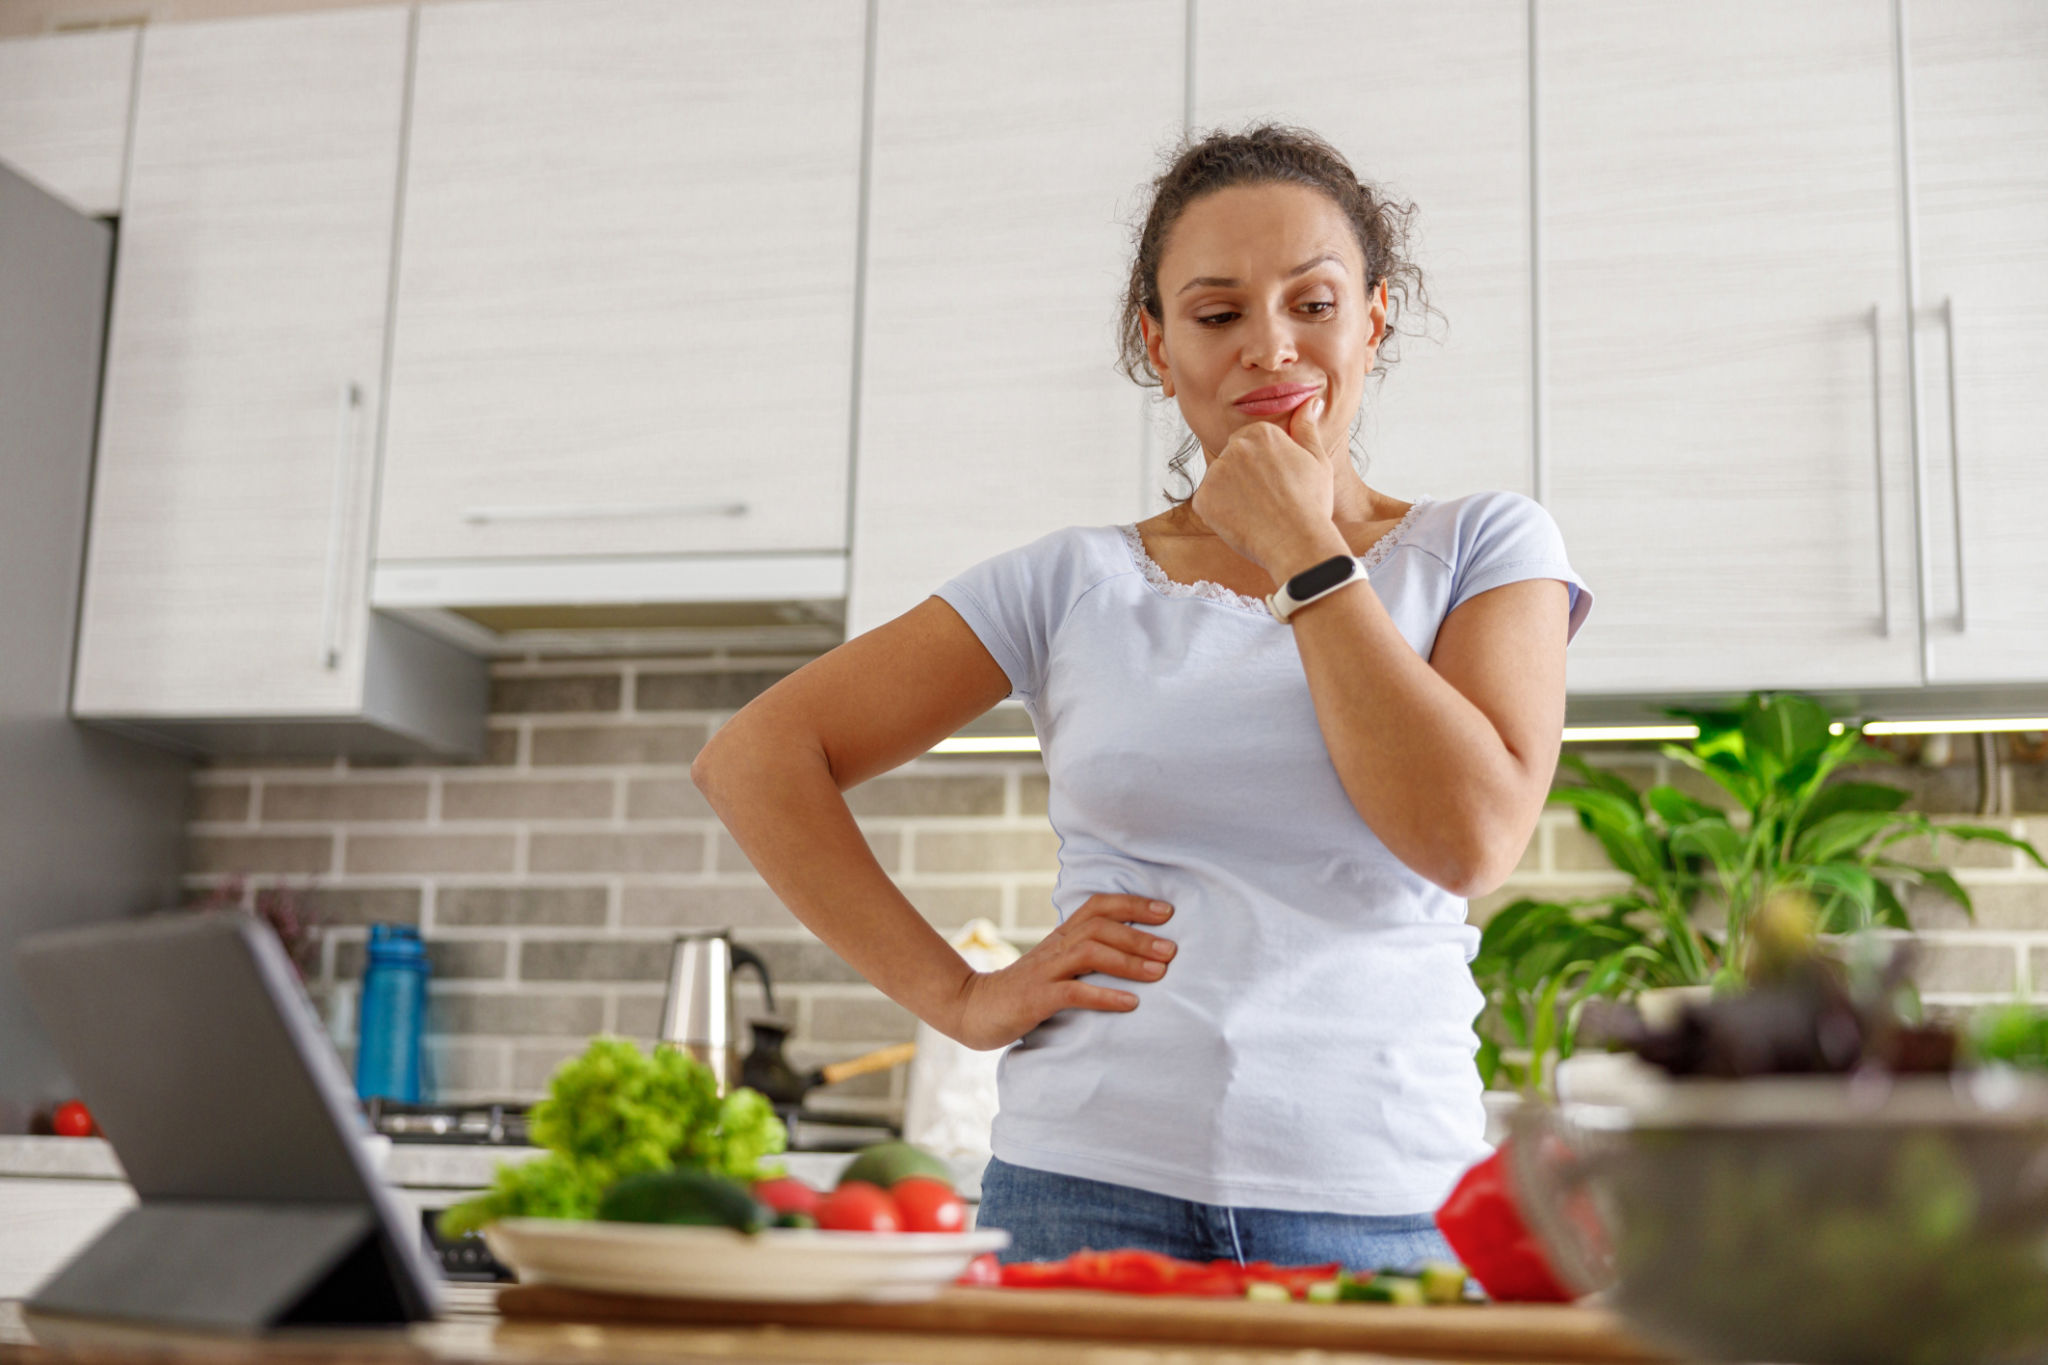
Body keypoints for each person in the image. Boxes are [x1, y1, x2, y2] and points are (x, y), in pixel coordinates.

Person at [691, 125, 1592, 1268]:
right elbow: (756, 757)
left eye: (1312, 304)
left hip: (1378, 1202)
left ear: (1372, 317)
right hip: (1079, 1192)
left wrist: (1304, 551)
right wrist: (965, 1000)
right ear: (1156, 347)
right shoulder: (1071, 581)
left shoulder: (1483, 544)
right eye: (1217, 316)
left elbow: (1465, 839)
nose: (1270, 347)